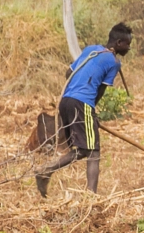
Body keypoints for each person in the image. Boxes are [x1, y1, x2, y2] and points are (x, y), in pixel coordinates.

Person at [37, 23, 132, 196]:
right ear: (118, 43)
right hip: (82, 103)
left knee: (82, 150)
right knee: (93, 151)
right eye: (127, 44)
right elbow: (100, 91)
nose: (129, 48)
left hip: (66, 101)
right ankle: (90, 197)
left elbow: (69, 73)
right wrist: (90, 112)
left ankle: (47, 170)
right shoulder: (113, 62)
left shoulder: (90, 49)